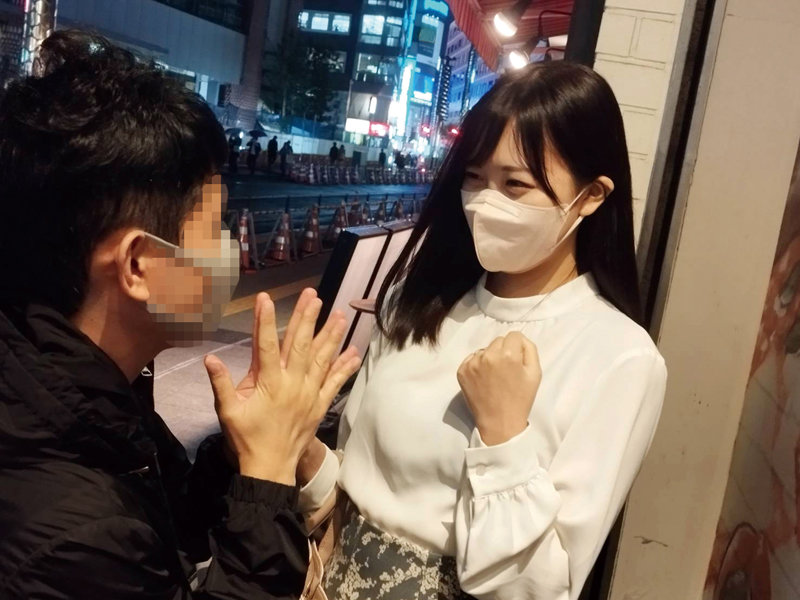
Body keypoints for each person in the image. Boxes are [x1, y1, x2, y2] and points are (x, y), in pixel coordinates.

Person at [0, 30, 362, 599]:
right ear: (137, 265)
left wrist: (240, 450)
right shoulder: (71, 538)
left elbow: (167, 532)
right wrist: (270, 472)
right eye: (216, 227)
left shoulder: (80, 388)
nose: (231, 248)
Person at [295, 62, 667, 599]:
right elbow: (358, 487)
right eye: (474, 178)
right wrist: (300, 445)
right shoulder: (416, 302)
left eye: (515, 184)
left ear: (591, 196)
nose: (485, 203)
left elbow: (538, 588)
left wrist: (504, 436)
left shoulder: (620, 357)